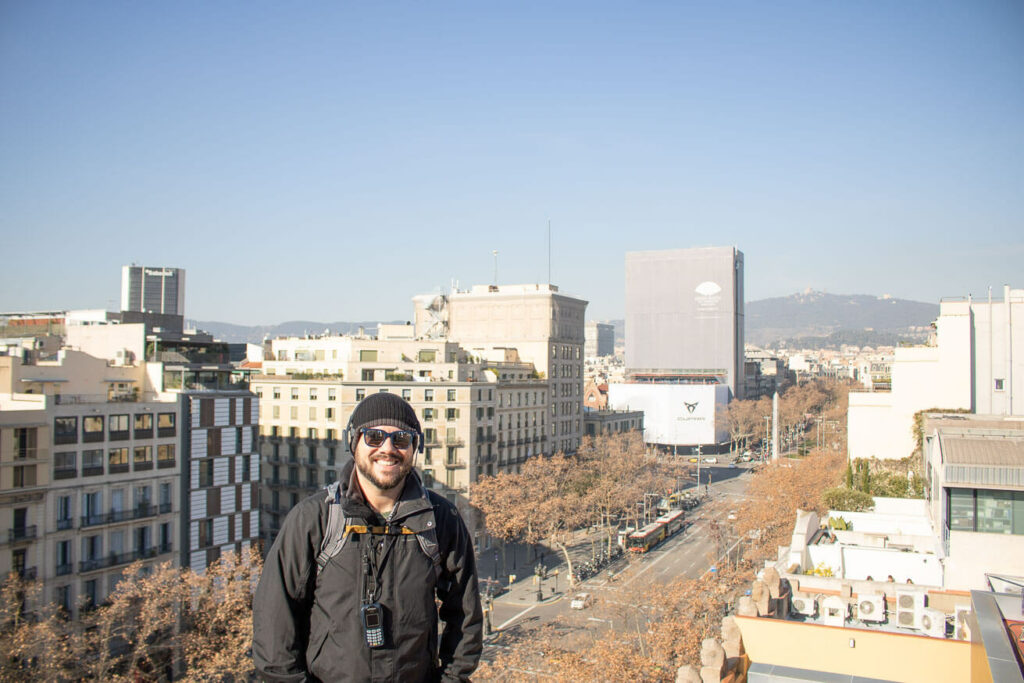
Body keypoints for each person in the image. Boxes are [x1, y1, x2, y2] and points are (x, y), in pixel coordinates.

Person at [253, 392, 483, 682]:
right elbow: (274, 619)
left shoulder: (441, 519)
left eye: (401, 439)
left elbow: (465, 617)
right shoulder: (315, 519)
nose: (388, 449)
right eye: (374, 437)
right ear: (354, 443)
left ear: (415, 448)